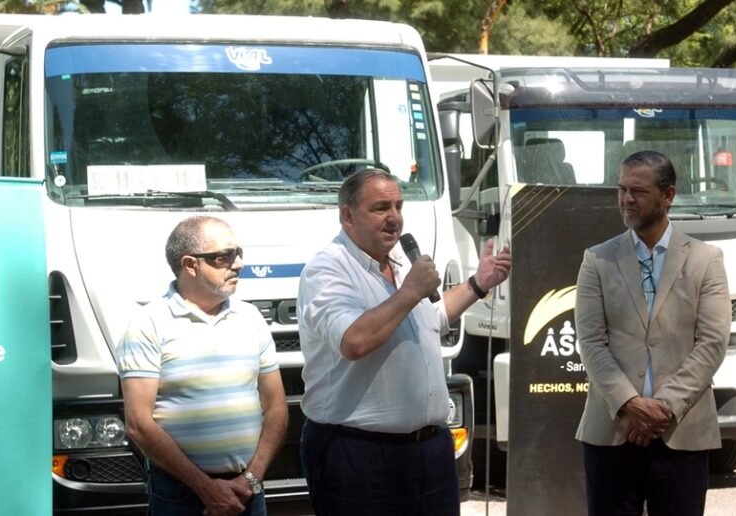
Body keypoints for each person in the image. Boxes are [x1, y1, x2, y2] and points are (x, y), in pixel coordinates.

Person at [297, 168, 512, 515]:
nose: (394, 218)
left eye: (398, 206)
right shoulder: (327, 271)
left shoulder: (399, 263)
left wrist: (478, 284)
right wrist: (411, 291)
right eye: (381, 207)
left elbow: (432, 319)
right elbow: (354, 341)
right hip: (360, 454)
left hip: (430, 451)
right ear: (348, 215)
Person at [575, 151, 731, 516]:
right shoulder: (597, 260)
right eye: (621, 189)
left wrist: (662, 408)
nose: (627, 199)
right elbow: (592, 343)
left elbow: (711, 344)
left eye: (638, 191)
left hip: (681, 432)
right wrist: (630, 405)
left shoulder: (705, 260)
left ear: (668, 195)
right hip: (612, 432)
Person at [117, 215, 288, 516]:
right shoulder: (148, 324)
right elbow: (138, 424)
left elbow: (276, 407)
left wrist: (249, 479)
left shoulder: (251, 318)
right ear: (189, 265)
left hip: (247, 493)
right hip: (180, 494)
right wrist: (206, 489)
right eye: (224, 257)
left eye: (239, 253)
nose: (238, 264)